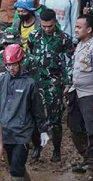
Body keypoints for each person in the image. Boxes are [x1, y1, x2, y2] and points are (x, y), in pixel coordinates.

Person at [0, 44, 48, 181]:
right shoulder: (0, 81)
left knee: (17, 163)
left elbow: (37, 109)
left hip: (22, 132)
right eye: (8, 65)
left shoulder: (29, 83)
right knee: (12, 165)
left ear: (21, 63)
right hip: (3, 130)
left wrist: (43, 130)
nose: (11, 68)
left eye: (14, 64)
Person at [26, 9, 75, 162]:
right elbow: (29, 57)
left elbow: (69, 62)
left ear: (55, 23)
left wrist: (68, 82)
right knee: (34, 116)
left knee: (55, 118)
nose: (47, 29)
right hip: (36, 81)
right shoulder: (33, 36)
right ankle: (37, 147)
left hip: (54, 81)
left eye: (50, 26)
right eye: (44, 26)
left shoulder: (64, 38)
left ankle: (57, 149)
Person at [67, 15, 93, 181]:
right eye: (76, 27)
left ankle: (92, 167)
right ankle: (86, 157)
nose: (76, 30)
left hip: (90, 94)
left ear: (89, 30)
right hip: (77, 92)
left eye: (79, 27)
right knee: (75, 127)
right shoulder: (80, 45)